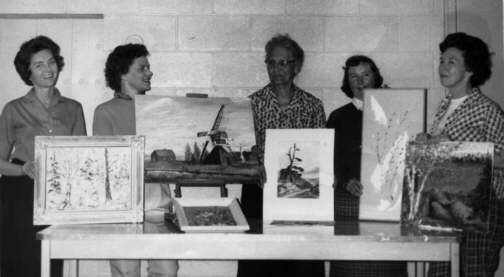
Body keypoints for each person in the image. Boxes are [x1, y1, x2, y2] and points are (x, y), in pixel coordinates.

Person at [237, 34, 326, 277]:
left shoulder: (312, 105)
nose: (276, 69)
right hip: (259, 191)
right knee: (259, 261)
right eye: (271, 62)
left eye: (283, 63)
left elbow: (321, 152)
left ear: (296, 66)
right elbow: (242, 151)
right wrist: (252, 160)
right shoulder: (251, 104)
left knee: (301, 261)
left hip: (301, 194)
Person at [0, 35, 87, 277]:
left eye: (51, 62)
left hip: (58, 193)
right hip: (20, 192)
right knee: (20, 257)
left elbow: (81, 158)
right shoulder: (13, 108)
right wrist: (23, 168)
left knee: (54, 258)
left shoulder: (73, 108)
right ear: (28, 73)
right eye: (39, 65)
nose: (48, 69)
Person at [93, 43, 179, 277]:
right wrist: (148, 157)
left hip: (158, 206)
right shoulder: (104, 112)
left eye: (148, 68)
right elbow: (105, 165)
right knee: (126, 272)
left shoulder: (158, 110)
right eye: (142, 68)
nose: (149, 73)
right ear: (123, 73)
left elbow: (174, 158)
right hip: (121, 209)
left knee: (167, 271)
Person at [425, 32, 504, 277]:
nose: (443, 66)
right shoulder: (443, 107)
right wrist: (427, 145)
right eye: (441, 60)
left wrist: (456, 147)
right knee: (440, 270)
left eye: (451, 61)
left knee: (474, 271)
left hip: (480, 207)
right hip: (445, 203)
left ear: (469, 69)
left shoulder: (486, 109)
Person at [326, 55, 408, 277]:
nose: (360, 81)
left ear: (375, 77)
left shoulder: (393, 114)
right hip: (348, 203)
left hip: (385, 204)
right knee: (350, 266)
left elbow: (403, 156)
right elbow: (328, 161)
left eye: (365, 75)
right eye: (353, 76)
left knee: (386, 265)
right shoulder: (337, 117)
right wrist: (345, 181)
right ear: (347, 81)